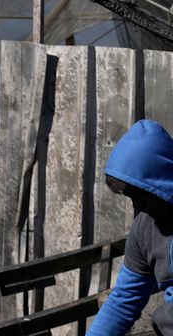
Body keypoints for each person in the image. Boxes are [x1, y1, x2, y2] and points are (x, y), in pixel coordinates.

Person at [88, 119, 173, 335]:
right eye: (131, 197)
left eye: (143, 195)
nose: (138, 206)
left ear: (162, 181)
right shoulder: (144, 228)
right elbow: (123, 302)